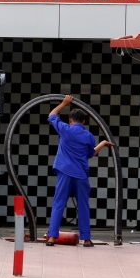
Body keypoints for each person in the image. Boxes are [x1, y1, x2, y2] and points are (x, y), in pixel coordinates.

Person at [46, 95, 113, 247]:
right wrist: (102, 144)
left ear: (70, 120)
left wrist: (64, 103)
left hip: (65, 172)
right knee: (83, 206)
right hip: (81, 175)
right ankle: (87, 239)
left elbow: (51, 115)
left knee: (58, 204)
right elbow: (90, 154)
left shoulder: (65, 129)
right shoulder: (88, 136)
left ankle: (52, 237)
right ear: (84, 122)